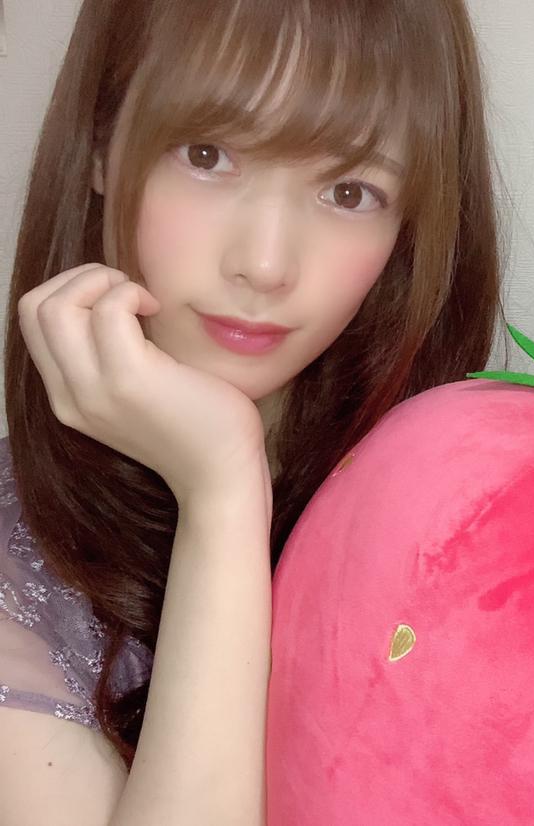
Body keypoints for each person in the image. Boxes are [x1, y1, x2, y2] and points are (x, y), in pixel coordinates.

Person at [0, 0, 505, 823]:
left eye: (349, 190)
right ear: (100, 143)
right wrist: (222, 492)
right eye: (208, 155)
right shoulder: (17, 562)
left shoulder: (472, 517)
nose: (266, 265)